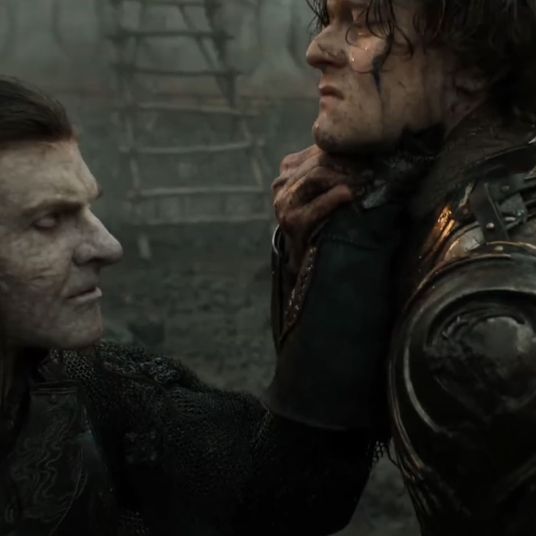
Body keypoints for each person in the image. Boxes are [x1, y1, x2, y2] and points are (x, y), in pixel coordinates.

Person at [0, 76, 391, 536]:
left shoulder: (91, 391)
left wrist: (330, 260)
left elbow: (289, 490)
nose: (108, 246)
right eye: (50, 220)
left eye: (87, 210)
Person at [265, 0, 536, 534]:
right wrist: (320, 257)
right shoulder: (439, 203)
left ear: (473, 64)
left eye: (364, 23)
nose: (317, 50)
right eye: (329, 21)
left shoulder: (484, 326)